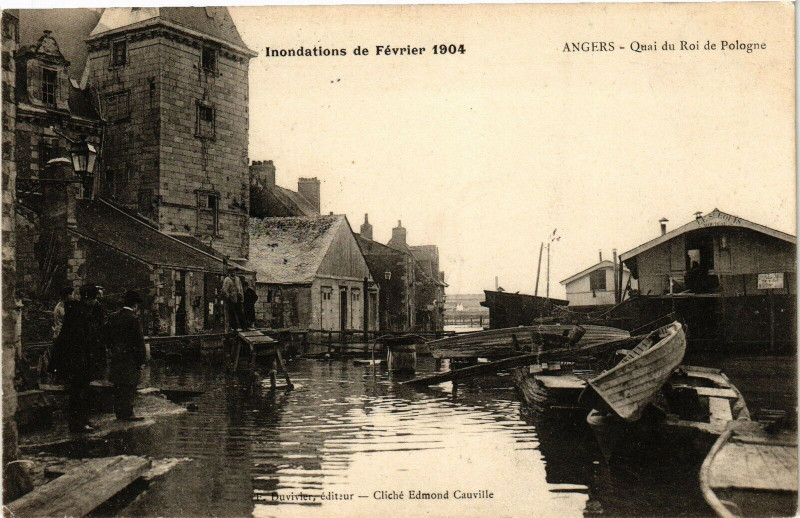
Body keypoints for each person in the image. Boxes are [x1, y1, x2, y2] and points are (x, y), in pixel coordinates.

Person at [50, 291, 100, 433]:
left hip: (77, 361)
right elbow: (81, 340)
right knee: (78, 393)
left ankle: (83, 421)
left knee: (81, 392)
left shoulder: (76, 314)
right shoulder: (78, 318)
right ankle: (78, 424)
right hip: (77, 362)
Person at [107, 290, 147, 421]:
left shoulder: (113, 316)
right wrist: (142, 360)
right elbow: (139, 341)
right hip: (130, 358)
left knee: (118, 384)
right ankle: (128, 413)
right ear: (135, 305)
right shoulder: (133, 319)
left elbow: (106, 336)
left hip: (117, 356)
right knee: (129, 385)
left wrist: (112, 349)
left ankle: (119, 412)